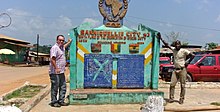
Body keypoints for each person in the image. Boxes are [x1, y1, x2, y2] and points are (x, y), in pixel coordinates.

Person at [157, 33, 194, 104]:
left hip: (182, 69)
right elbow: (167, 45)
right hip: (175, 69)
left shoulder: (184, 51)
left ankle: (181, 99)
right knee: (172, 84)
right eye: (176, 44)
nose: (177, 45)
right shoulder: (174, 49)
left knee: (182, 85)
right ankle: (171, 98)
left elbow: (192, 55)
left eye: (179, 44)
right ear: (175, 45)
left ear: (180, 45)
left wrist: (187, 62)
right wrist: (161, 38)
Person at [49, 35, 72, 107]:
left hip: (61, 71)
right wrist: (56, 68)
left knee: (63, 86)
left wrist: (69, 42)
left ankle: (61, 100)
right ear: (57, 40)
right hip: (55, 72)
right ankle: (54, 101)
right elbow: (52, 59)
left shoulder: (61, 48)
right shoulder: (54, 48)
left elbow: (64, 46)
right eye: (60, 40)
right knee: (55, 87)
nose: (61, 41)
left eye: (62, 40)